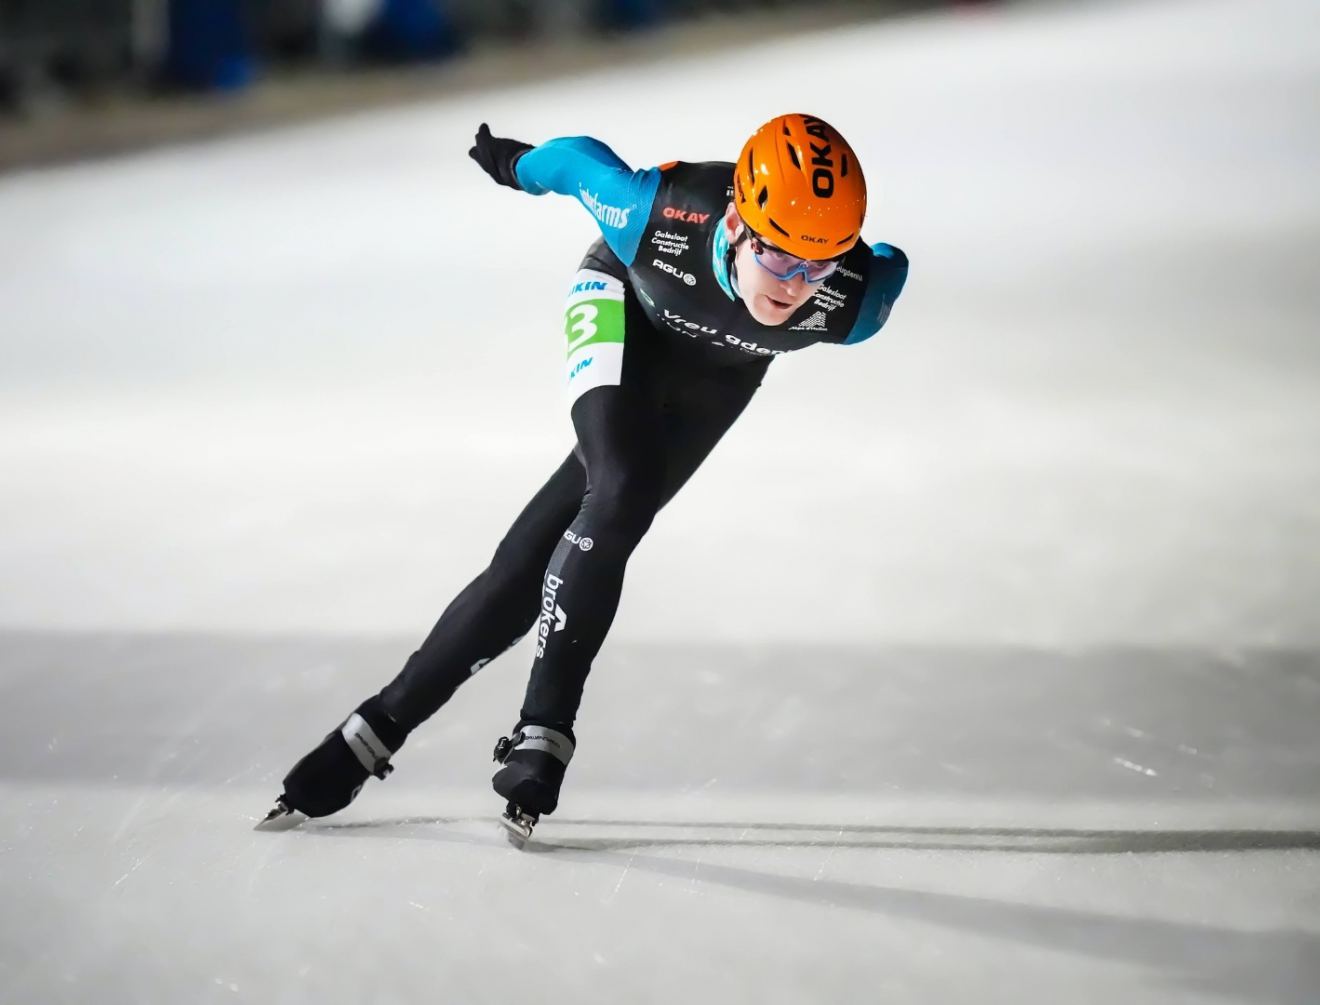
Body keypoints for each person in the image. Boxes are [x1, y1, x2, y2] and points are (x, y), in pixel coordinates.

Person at [258, 113, 909, 840]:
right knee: (622, 488)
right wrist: (514, 163)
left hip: (717, 376)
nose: (796, 287)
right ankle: (544, 729)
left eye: (818, 265)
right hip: (623, 300)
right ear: (734, 222)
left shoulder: (855, 302)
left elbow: (890, 262)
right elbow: (577, 164)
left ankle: (371, 729)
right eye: (782, 259)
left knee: (564, 543)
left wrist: (832, 267)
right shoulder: (655, 213)